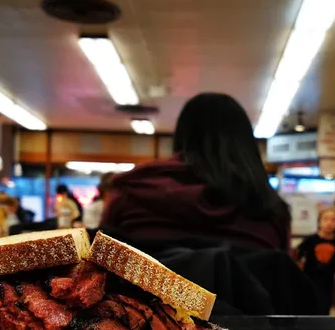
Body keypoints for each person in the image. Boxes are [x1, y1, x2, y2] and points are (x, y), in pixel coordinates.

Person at [102, 93, 290, 249]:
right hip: (247, 295)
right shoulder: (271, 211)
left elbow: (98, 271)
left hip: (144, 295)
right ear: (247, 145)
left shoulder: (131, 194)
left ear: (182, 136)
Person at [296, 208, 335, 315]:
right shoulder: (311, 240)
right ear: (319, 222)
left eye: (333, 220)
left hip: (327, 283)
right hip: (309, 281)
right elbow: (297, 255)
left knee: (324, 308)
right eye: (326, 219)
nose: (329, 223)